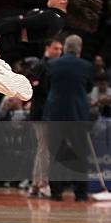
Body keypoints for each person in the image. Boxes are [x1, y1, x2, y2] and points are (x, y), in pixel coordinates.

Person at [43, 35, 94, 202]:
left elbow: (47, 87)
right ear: (79, 49)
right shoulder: (86, 66)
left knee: (56, 154)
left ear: (64, 48)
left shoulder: (52, 65)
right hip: (77, 114)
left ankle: (56, 192)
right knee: (81, 153)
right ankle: (80, 193)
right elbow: (88, 88)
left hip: (55, 114)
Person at [28, 38, 63, 198]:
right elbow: (38, 90)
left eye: (60, 49)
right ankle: (42, 183)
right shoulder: (41, 66)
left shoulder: (54, 66)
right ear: (48, 48)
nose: (59, 52)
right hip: (42, 113)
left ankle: (36, 184)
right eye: (56, 48)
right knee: (44, 149)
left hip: (48, 112)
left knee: (42, 148)